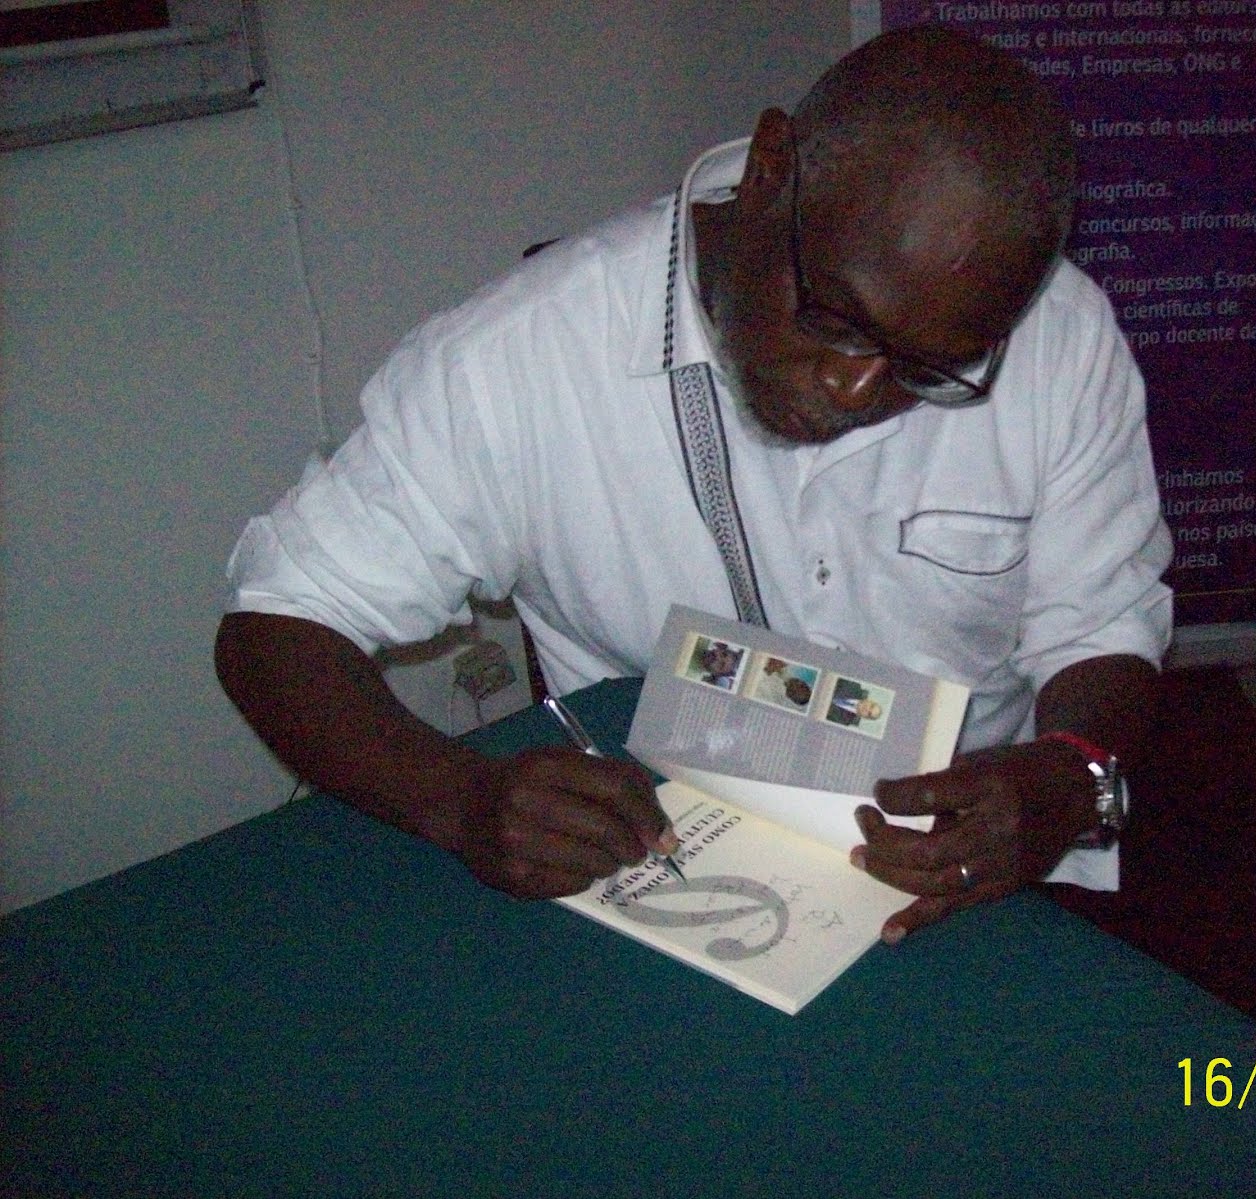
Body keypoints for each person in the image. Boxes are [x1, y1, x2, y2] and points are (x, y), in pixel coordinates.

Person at [215, 27, 1173, 945]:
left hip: (971, 877)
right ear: (769, 170)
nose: (855, 388)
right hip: (669, 867)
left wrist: (1070, 776)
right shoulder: (519, 360)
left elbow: (1103, 627)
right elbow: (277, 623)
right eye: (836, 320)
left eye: (928, 369)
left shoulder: (1058, 338)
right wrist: (460, 798)